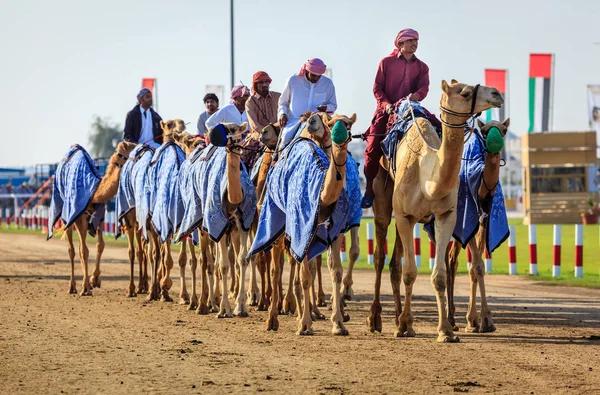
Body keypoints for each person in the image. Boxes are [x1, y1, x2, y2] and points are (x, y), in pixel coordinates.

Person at [361, 28, 430, 208]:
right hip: (386, 111)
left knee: (434, 132)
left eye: (416, 41)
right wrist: (387, 105)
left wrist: (417, 95)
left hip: (410, 110)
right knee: (372, 146)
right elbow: (377, 89)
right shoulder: (386, 63)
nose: (414, 44)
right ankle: (369, 188)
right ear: (400, 44)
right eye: (411, 41)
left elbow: (424, 88)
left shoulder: (422, 67)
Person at [278, 58, 337, 147]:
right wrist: (283, 114)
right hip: (295, 122)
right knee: (284, 140)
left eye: (319, 76)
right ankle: (277, 160)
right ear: (307, 71)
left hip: (319, 123)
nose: (316, 78)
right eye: (313, 75)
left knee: (336, 143)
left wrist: (326, 108)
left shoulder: (328, 83)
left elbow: (333, 105)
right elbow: (283, 102)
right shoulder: (293, 80)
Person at [242, 71, 281, 167]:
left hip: (280, 134)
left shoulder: (279, 97)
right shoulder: (250, 102)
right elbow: (254, 125)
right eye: (261, 82)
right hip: (259, 137)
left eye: (267, 82)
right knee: (241, 159)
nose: (265, 85)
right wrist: (268, 134)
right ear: (255, 85)